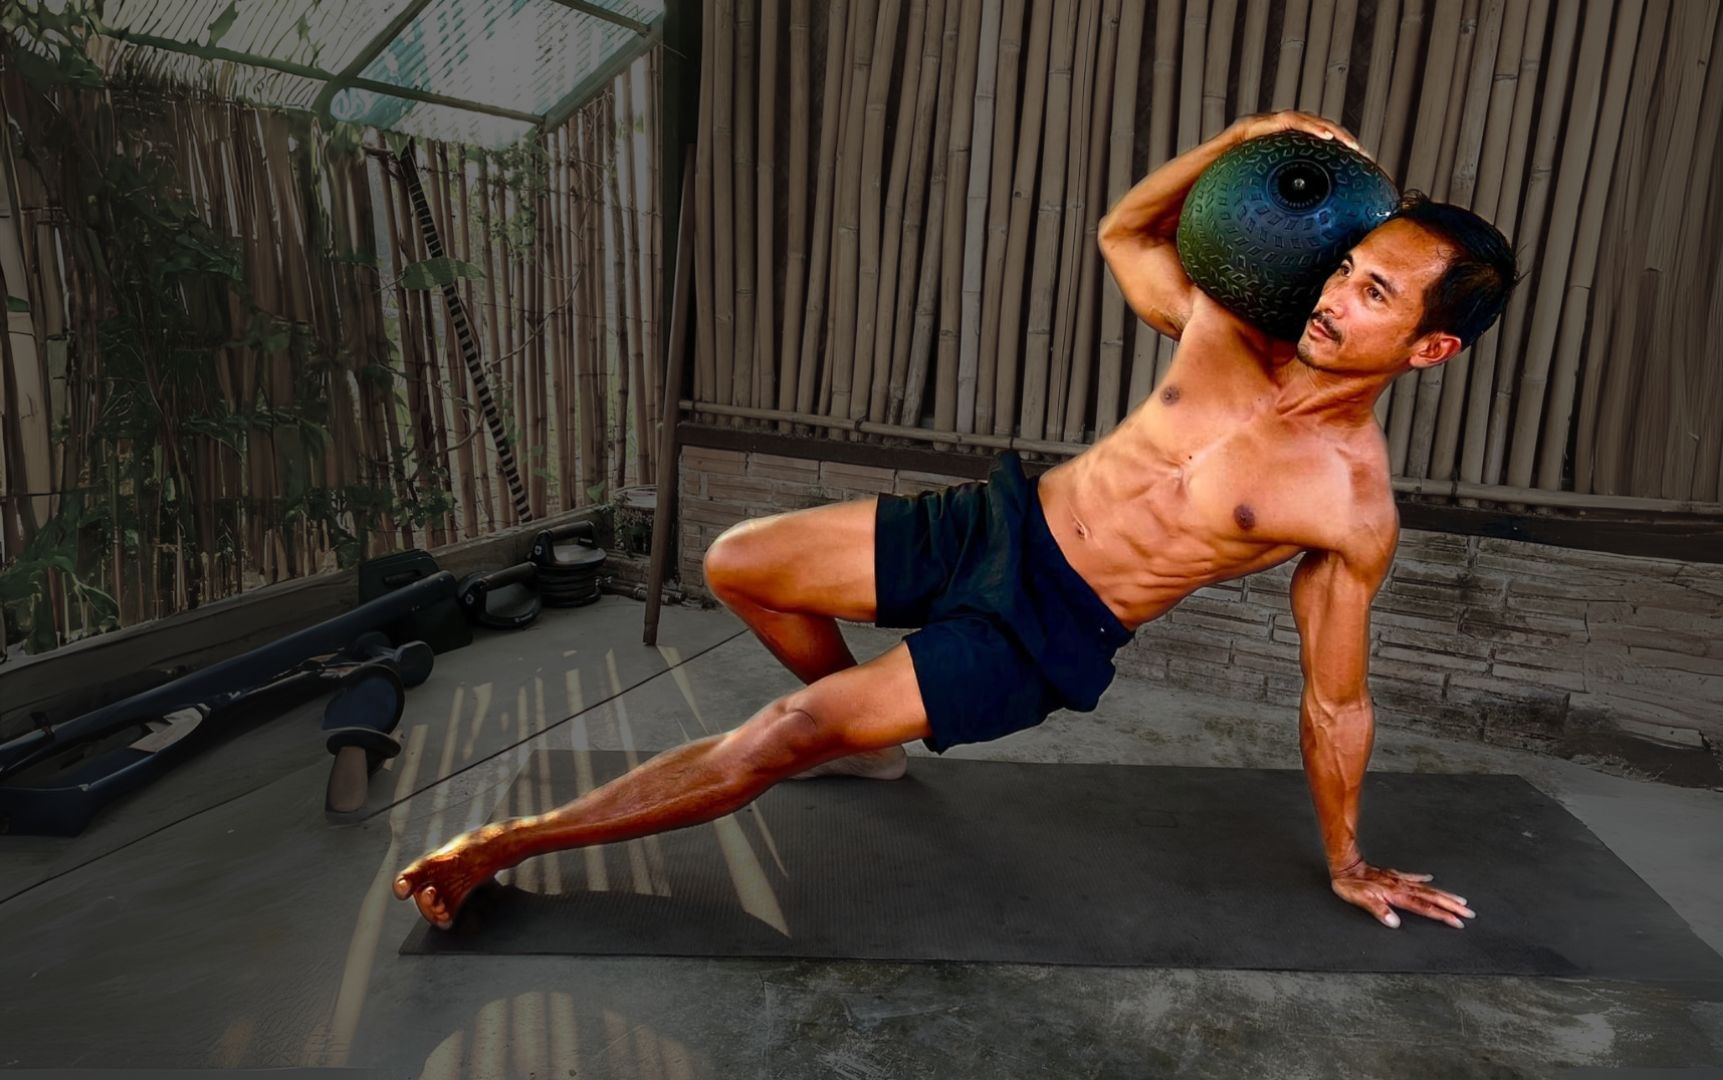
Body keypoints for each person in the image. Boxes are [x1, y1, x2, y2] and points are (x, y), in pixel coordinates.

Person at [395, 110, 1516, 934]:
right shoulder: (1227, 331)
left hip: (1043, 626)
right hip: (1000, 522)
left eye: (1376, 294)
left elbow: (1337, 702)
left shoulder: (1348, 504)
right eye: (1351, 269)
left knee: (782, 733)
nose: (1333, 297)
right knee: (739, 562)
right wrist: (1242, 140)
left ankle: (504, 848)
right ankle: (858, 747)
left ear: (1431, 348)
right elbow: (1126, 233)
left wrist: (1348, 859)